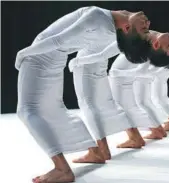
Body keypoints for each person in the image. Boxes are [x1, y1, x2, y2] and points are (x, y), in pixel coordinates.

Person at [15, 6, 151, 183]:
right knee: (55, 108)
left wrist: (23, 53)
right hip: (56, 58)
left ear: (126, 28)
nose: (147, 23)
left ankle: (62, 169)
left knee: (26, 110)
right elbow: (124, 17)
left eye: (144, 28)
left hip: (40, 54)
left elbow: (58, 40)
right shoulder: (112, 29)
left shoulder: (97, 17)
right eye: (146, 26)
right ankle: (94, 151)